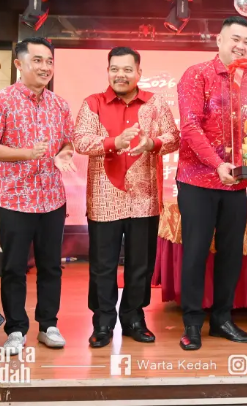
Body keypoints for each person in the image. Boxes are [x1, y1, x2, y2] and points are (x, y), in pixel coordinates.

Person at [73, 47, 179, 348]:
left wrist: (152, 142)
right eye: (115, 69)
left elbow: (174, 138)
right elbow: (80, 140)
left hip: (144, 198)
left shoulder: (155, 103)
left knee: (140, 264)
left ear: (139, 73)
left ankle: (134, 318)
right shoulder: (93, 103)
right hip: (104, 198)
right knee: (103, 265)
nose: (120, 75)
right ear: (108, 71)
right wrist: (113, 142)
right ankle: (103, 322)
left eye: (127, 69)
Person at [0, 37, 76, 355]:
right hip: (16, 200)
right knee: (14, 268)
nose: (45, 67)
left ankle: (48, 325)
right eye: (38, 60)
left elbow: (68, 142)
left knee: (51, 267)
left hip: (52, 199)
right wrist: (25, 153)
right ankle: (16, 330)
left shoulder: (60, 105)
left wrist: (64, 153)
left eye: (49, 61)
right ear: (19, 64)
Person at [176, 16, 247, 351]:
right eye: (235, 39)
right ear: (219, 40)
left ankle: (222, 319)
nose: (241, 46)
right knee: (196, 253)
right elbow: (190, 126)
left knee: (231, 254)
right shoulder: (197, 74)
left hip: (236, 183)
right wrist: (216, 163)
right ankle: (192, 323)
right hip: (197, 180)